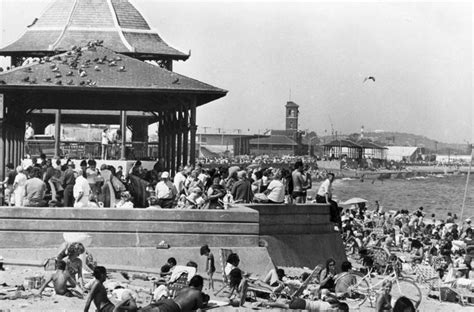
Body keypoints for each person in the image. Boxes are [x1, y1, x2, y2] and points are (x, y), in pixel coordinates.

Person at [140, 275, 208, 312]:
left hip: (168, 301)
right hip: (174, 307)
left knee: (143, 310)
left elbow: (177, 296)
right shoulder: (197, 293)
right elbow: (200, 306)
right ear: (200, 285)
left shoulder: (184, 289)